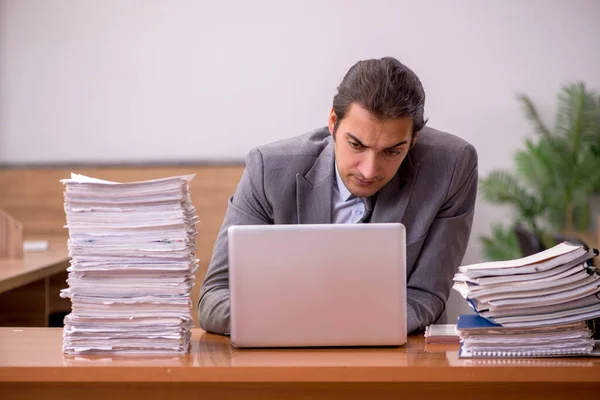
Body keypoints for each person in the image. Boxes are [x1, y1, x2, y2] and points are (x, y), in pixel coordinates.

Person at [198, 56, 478, 335]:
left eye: (392, 151)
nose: (369, 171)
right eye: (356, 144)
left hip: (400, 359)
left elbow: (426, 295)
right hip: (286, 355)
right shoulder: (268, 170)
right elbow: (214, 298)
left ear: (413, 140)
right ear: (333, 122)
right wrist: (311, 323)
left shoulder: (452, 166)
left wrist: (337, 324)